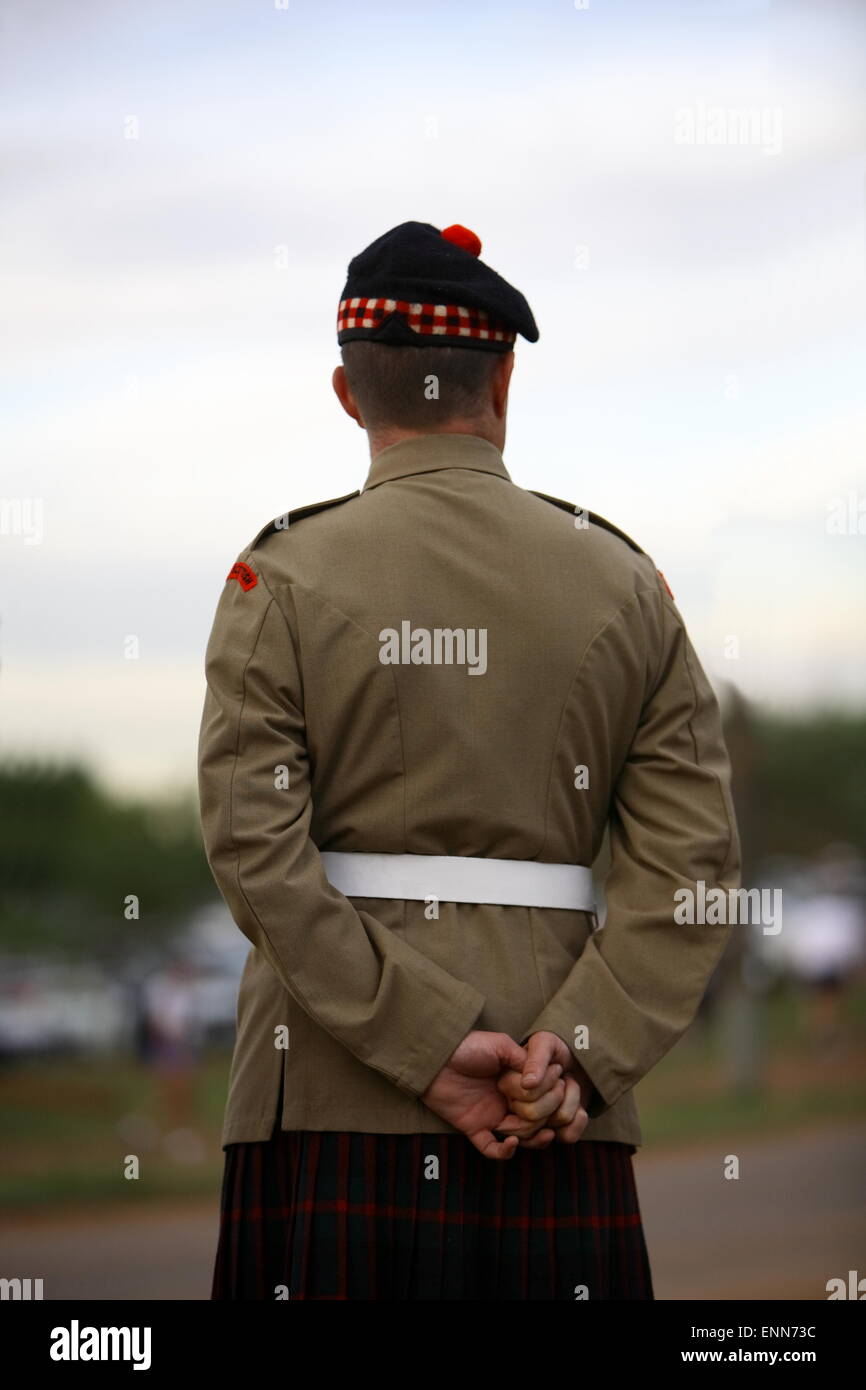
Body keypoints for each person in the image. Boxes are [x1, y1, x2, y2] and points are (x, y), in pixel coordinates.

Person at [197, 220, 740, 1300]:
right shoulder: (624, 584)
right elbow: (691, 867)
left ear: (349, 394)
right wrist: (575, 1051)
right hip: (556, 1117)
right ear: (501, 383)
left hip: (327, 1110)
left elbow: (254, 851)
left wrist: (429, 1046)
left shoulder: (280, 578)